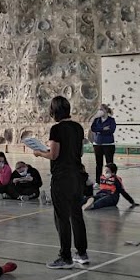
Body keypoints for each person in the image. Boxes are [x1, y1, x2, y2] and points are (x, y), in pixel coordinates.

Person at [33, 95, 89, 268]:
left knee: (62, 218)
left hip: (62, 177)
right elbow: (79, 152)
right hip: (77, 175)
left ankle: (65, 256)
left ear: (54, 111)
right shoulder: (78, 127)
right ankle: (81, 252)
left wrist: (39, 152)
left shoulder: (56, 129)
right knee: (76, 215)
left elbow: (53, 155)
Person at [90, 104, 117, 183]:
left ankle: (111, 180)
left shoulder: (111, 120)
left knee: (109, 164)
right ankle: (98, 181)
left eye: (101, 109)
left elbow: (111, 130)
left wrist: (99, 131)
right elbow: (93, 128)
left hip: (108, 145)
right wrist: (102, 129)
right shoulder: (96, 120)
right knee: (98, 164)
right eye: (99, 110)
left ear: (105, 110)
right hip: (97, 144)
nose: (99, 111)